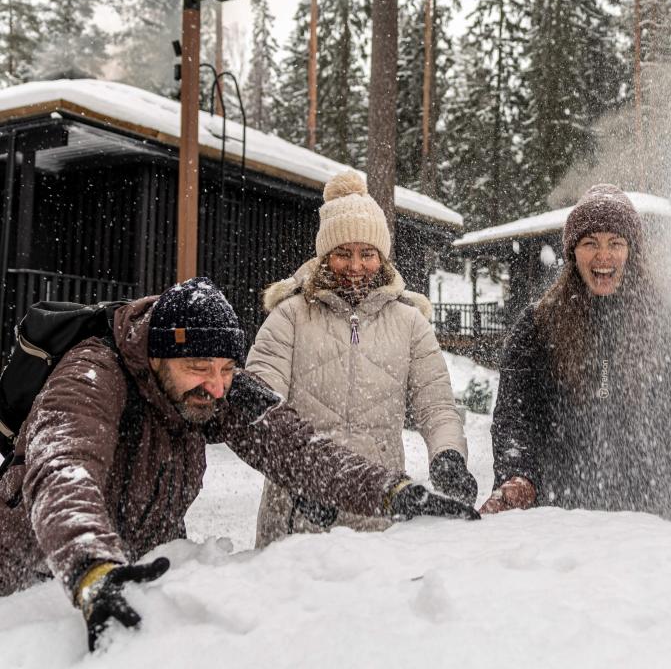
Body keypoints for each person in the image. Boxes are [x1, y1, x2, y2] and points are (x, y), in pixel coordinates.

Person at [0, 277, 477, 650]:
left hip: (134, 583)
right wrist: (91, 568)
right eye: (199, 368)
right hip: (34, 591)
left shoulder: (215, 389)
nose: (216, 386)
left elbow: (302, 451)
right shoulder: (90, 375)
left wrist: (394, 492)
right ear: (158, 356)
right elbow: (63, 468)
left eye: (227, 369)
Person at [247, 170, 476, 546]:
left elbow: (436, 407)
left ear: (381, 257)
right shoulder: (290, 316)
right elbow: (259, 407)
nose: (356, 266)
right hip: (296, 516)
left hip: (379, 512)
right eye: (343, 254)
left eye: (367, 254)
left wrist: (448, 455)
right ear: (325, 256)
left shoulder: (409, 322)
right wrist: (301, 472)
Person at [482, 184, 671, 526]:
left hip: (655, 521)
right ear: (572, 253)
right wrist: (518, 477)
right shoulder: (537, 326)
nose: (603, 256)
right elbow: (515, 417)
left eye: (615, 243)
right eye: (590, 243)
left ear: (632, 251)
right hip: (558, 519)